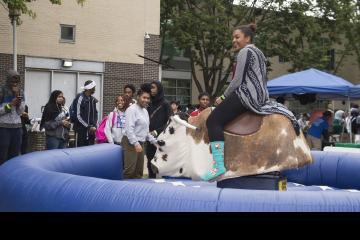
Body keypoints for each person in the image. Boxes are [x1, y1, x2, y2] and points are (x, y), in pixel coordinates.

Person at [203, 24, 300, 181]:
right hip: (261, 95)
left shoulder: (245, 51)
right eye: (233, 37)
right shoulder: (259, 52)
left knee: (213, 121)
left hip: (247, 95)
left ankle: (218, 165)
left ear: (247, 38)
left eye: (237, 37)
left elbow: (237, 80)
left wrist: (223, 97)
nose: (233, 40)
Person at [122, 83, 159, 179]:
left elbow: (146, 131)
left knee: (139, 172)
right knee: (129, 171)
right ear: (138, 97)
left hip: (141, 143)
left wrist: (154, 141)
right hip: (130, 143)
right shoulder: (131, 110)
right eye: (144, 97)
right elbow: (129, 130)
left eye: (148, 98)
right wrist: (135, 143)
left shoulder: (145, 111)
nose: (146, 100)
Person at [146, 81, 172, 178]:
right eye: (150, 87)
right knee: (150, 162)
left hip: (162, 139)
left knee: (163, 163)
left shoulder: (165, 104)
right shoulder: (149, 103)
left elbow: (170, 122)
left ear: (159, 89)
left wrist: (156, 131)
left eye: (153, 87)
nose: (151, 89)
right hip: (149, 139)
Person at [0, 70, 25, 165]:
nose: (15, 83)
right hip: (3, 128)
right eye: (13, 81)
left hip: (17, 128)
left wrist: (18, 102)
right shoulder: (1, 91)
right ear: (8, 80)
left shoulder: (21, 92)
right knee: (2, 155)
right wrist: (10, 105)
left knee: (14, 156)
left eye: (17, 81)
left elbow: (20, 112)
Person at [73, 80, 98, 147]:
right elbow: (78, 116)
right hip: (81, 131)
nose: (95, 89)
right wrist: (88, 126)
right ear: (90, 88)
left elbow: (95, 113)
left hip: (91, 131)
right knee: (80, 151)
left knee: (90, 151)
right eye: (94, 87)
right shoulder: (80, 98)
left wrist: (94, 125)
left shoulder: (93, 100)